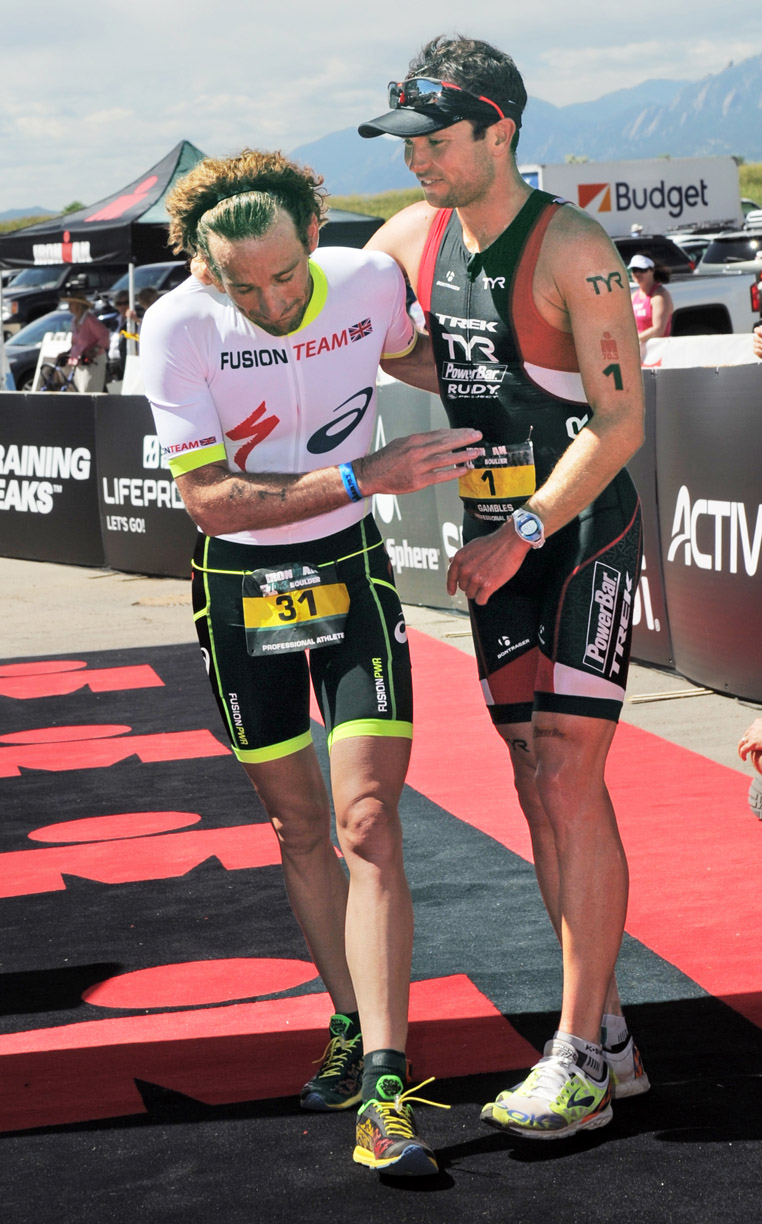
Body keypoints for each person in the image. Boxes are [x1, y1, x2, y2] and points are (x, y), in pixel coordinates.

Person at [139, 147, 482, 1176]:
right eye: (245, 285)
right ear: (206, 271)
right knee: (299, 829)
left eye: (287, 275)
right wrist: (362, 471)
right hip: (239, 584)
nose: (274, 299)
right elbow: (211, 504)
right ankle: (346, 1016)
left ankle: (385, 1085)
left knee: (368, 823)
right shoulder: (177, 326)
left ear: (313, 239)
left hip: (351, 571)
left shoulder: (369, 281)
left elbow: (432, 361)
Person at [359, 35, 648, 1140]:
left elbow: (622, 422)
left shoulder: (576, 245)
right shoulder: (407, 237)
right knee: (535, 778)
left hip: (578, 535)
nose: (419, 160)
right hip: (496, 539)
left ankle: (574, 1049)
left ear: (500, 131)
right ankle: (610, 1031)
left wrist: (527, 525)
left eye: (436, 140)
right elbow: (362, 323)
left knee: (571, 772)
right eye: (410, 142)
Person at [59, 289, 110, 391]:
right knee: (81, 391)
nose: (69, 306)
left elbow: (104, 335)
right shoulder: (74, 321)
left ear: (79, 305)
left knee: (89, 391)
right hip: (80, 363)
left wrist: (94, 350)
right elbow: (75, 343)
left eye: (71, 303)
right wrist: (68, 353)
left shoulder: (89, 319)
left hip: (93, 363)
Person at [628, 254, 674, 343]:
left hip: (657, 350)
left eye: (642, 270)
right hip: (639, 350)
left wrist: (634, 341)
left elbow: (658, 330)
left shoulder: (660, 296)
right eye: (634, 270)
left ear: (652, 270)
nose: (637, 273)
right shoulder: (633, 297)